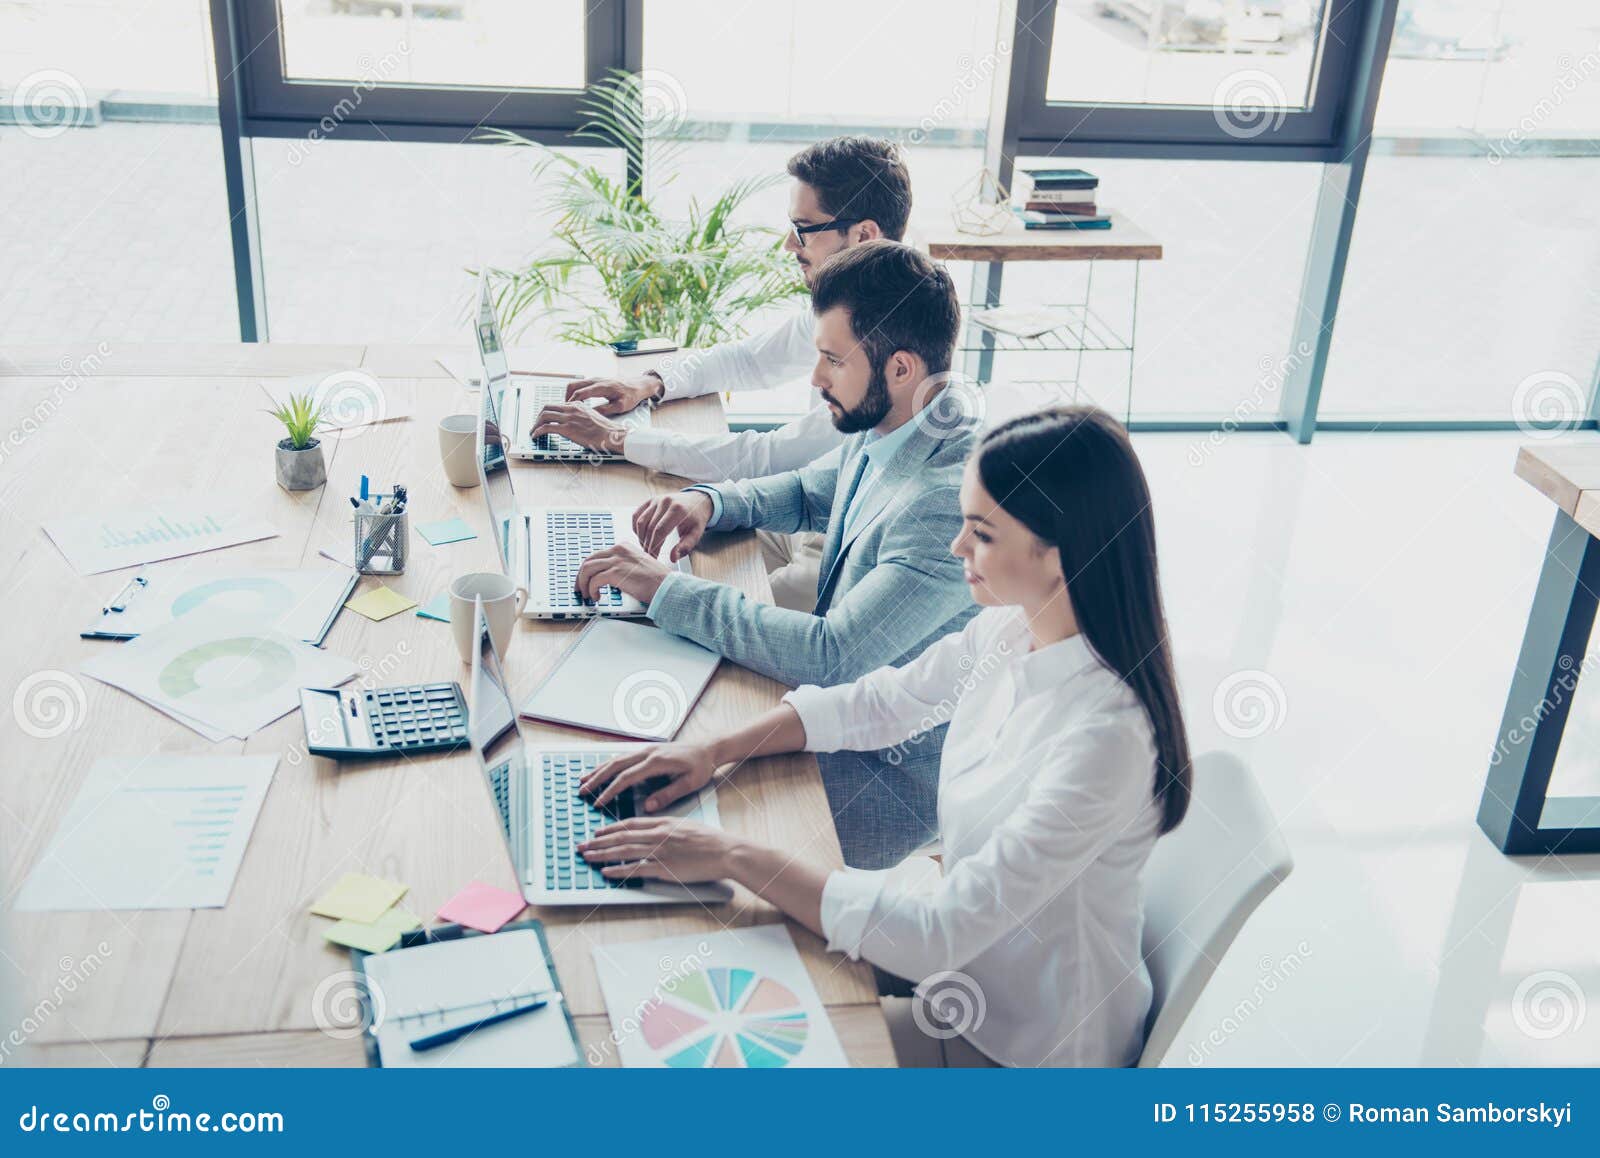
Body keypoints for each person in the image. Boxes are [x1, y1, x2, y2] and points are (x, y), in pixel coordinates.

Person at [572, 406, 1192, 1068]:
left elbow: (940, 933)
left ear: (1059, 553)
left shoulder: (1107, 738)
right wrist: (714, 750)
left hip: (1022, 1045)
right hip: (965, 969)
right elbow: (885, 702)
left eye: (981, 534)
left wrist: (731, 854)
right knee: (699, 959)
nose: (957, 548)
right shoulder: (1014, 630)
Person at [572, 240, 980, 869]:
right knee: (634, 725)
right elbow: (808, 491)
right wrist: (709, 502)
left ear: (900, 368)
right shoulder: (901, 419)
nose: (816, 379)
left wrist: (669, 590)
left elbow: (831, 654)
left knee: (645, 815)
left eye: (831, 361)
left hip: (877, 780)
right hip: (826, 717)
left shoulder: (942, 502)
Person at [530, 136, 914, 610]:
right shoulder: (852, 298)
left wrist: (617, 441)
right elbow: (751, 360)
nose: (788, 243)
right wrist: (651, 383)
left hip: (838, 560)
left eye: (804, 228)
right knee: (652, 540)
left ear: (863, 236)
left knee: (671, 600)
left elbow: (770, 458)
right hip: (804, 511)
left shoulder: (894, 339)